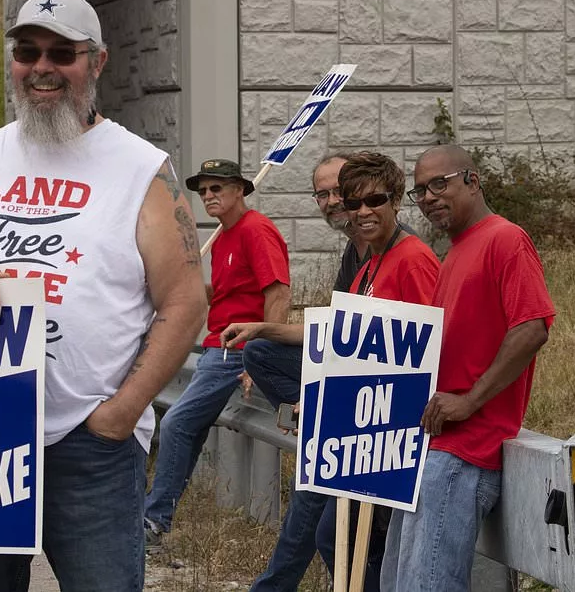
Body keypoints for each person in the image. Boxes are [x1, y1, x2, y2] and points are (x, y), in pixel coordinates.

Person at [0, 0, 208, 591]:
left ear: (96, 61)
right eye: (27, 51)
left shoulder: (141, 168)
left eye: (61, 53)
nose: (41, 67)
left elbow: (186, 299)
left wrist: (121, 413)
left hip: (88, 445)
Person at [382, 145, 555, 592]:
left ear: (472, 181)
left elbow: (532, 328)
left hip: (467, 453)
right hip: (433, 447)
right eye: (420, 191)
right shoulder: (455, 252)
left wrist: (470, 400)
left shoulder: (505, 239)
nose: (429, 198)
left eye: (439, 184)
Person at [218, 153, 364, 592]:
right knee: (260, 352)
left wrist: (324, 396)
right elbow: (335, 333)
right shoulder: (356, 251)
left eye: (341, 190)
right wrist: (263, 329)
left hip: (370, 404)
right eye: (322, 193)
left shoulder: (400, 253)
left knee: (313, 499)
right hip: (340, 387)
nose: (332, 201)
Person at [142, 158, 291, 545]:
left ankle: (153, 521)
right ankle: (157, 518)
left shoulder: (256, 230)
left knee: (176, 424)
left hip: (236, 351)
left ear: (240, 189)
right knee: (185, 428)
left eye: (217, 188)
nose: (208, 196)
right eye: (203, 190)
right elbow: (231, 294)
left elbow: (278, 292)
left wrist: (263, 356)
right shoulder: (224, 235)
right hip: (216, 348)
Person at [312, 151, 441, 590]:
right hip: (362, 429)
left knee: (358, 545)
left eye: (375, 201)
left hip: (396, 434)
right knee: (336, 539)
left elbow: (431, 347)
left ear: (396, 201)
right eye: (353, 203)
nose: (364, 212)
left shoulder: (414, 258)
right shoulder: (366, 266)